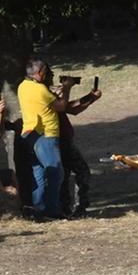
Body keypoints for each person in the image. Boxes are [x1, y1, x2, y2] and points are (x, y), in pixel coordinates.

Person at [17, 58, 75, 220]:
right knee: (56, 172)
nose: (48, 75)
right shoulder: (40, 90)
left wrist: (53, 92)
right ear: (40, 73)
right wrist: (67, 88)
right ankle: (52, 210)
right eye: (46, 72)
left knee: (39, 174)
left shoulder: (23, 86)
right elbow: (61, 106)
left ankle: (38, 209)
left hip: (29, 134)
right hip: (45, 136)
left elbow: (41, 101)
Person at [53, 75, 102, 218]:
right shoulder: (42, 92)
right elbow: (64, 107)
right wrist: (67, 88)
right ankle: (77, 208)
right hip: (60, 140)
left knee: (65, 174)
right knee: (81, 172)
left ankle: (67, 209)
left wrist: (91, 97)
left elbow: (70, 108)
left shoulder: (44, 91)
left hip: (63, 139)